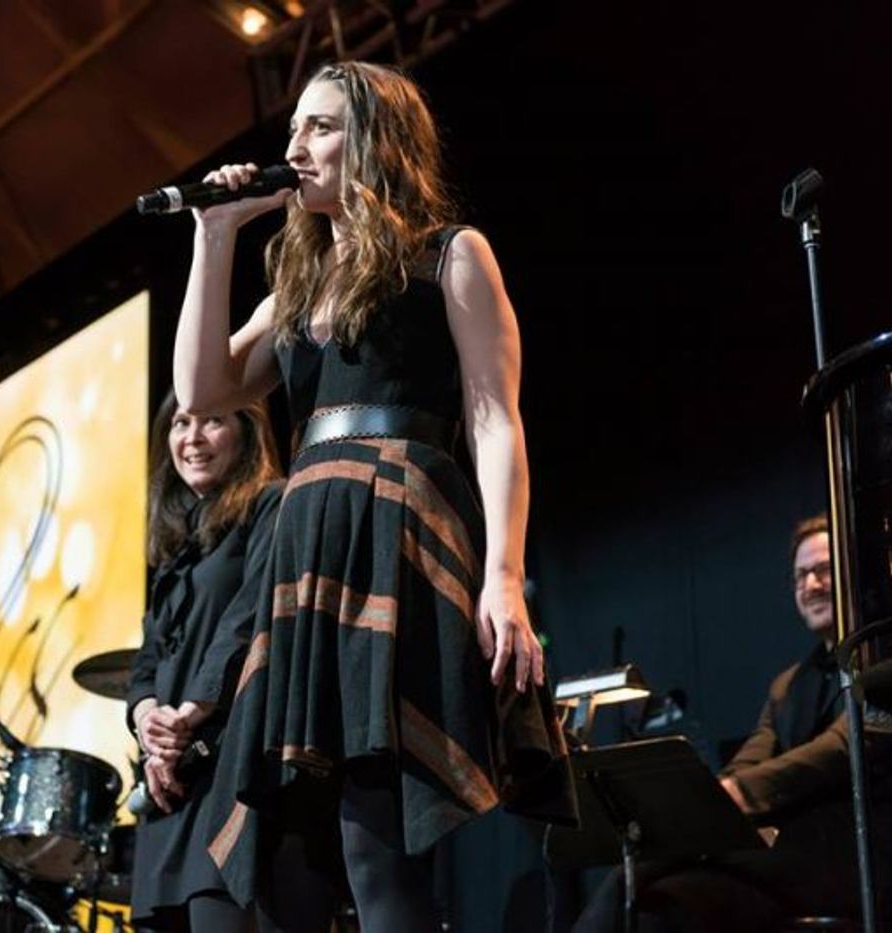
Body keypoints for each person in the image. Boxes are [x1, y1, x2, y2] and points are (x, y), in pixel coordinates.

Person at [174, 61, 569, 932]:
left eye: (320, 128)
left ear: (377, 138)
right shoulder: (303, 282)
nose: (295, 148)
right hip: (308, 544)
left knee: (371, 838)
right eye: (293, 131)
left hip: (394, 528)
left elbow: (496, 419)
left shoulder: (449, 252)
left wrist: (504, 575)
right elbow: (205, 391)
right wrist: (214, 235)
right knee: (274, 855)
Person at [572, 515, 892, 932]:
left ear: (854, 573)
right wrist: (712, 800)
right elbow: (749, 760)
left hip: (858, 859)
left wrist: (736, 794)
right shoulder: (786, 686)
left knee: (638, 875)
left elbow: (846, 745)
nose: (811, 585)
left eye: (823, 570)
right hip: (786, 859)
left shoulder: (882, 661)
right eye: (800, 576)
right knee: (656, 903)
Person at [125, 392, 283, 932]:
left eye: (212, 421)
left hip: (231, 770)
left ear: (247, 431)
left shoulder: (270, 505)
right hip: (171, 779)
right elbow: (146, 660)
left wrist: (189, 714)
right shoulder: (174, 547)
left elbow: (252, 618)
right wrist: (150, 721)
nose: (191, 438)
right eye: (180, 423)